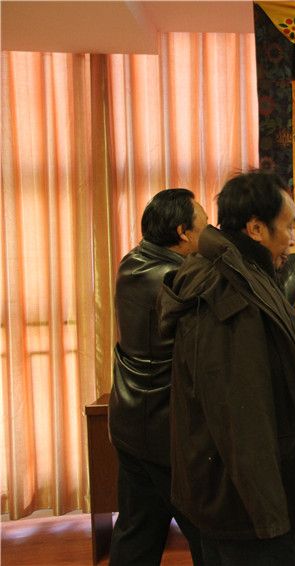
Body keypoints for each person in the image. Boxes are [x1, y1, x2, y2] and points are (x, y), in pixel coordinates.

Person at [159, 170, 295, 565]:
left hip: (236, 497)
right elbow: (241, 421)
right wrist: (269, 519)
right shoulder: (227, 293)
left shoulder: (243, 275)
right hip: (245, 509)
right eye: (288, 227)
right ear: (256, 229)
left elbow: (288, 361)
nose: (293, 239)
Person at [108, 188, 208, 565]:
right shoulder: (177, 278)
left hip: (130, 422)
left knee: (137, 531)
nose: (209, 235)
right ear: (183, 232)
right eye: (204, 227)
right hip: (166, 434)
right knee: (209, 535)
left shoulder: (131, 263)